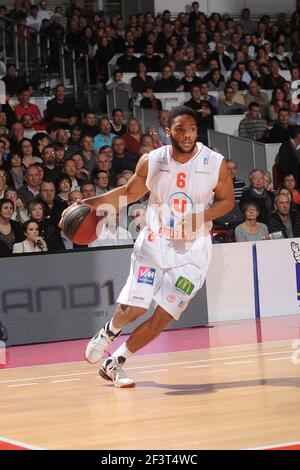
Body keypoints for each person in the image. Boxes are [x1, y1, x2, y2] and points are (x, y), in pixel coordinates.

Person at [61, 106, 234, 388]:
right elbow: (128, 193)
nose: (187, 134)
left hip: (193, 251)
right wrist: (88, 204)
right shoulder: (152, 160)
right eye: (180, 129)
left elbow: (227, 201)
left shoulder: (214, 162)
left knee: (163, 317)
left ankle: (115, 362)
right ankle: (108, 332)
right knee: (135, 309)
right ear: (169, 132)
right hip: (155, 242)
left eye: (191, 128)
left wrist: (201, 216)